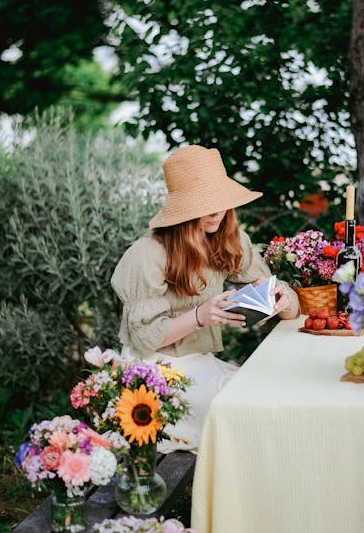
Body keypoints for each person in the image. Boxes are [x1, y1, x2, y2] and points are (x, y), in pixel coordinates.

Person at [111, 144, 300, 452]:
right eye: (205, 203)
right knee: (242, 412)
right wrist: (200, 315)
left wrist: (284, 299)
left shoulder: (228, 239)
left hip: (201, 365)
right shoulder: (147, 254)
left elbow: (275, 297)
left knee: (271, 397)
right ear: (183, 209)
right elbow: (144, 338)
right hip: (156, 371)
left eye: (221, 201)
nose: (216, 211)